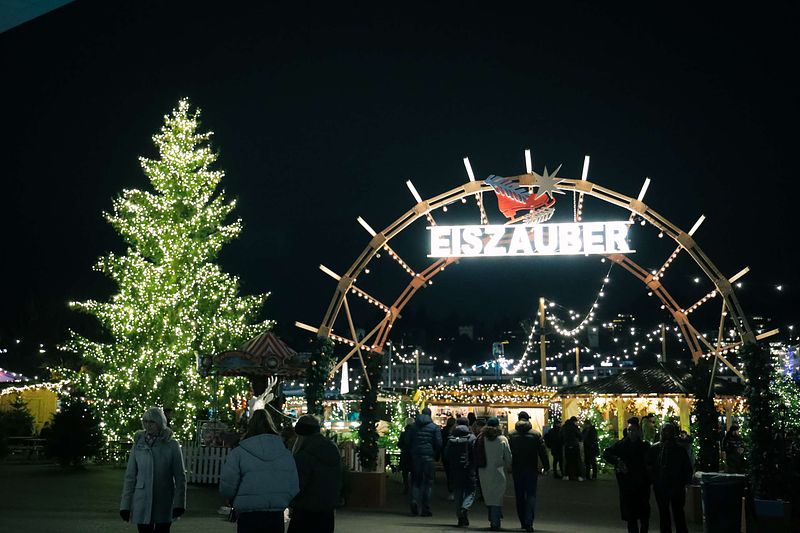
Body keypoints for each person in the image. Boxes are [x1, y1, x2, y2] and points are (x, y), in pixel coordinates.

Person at [219, 409, 299, 533]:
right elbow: (293, 485)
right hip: (275, 513)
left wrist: (234, 499)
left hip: (248, 514)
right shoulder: (285, 454)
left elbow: (228, 484)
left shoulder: (239, 453)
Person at [119, 407, 186, 533]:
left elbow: (180, 476)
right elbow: (130, 476)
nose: (148, 426)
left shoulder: (171, 445)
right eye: (145, 422)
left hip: (164, 500)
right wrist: (125, 506)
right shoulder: (138, 444)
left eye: (152, 422)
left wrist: (179, 503)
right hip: (142, 500)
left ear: (160, 423)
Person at [287, 415, 342, 533]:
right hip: (327, 510)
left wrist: (291, 501)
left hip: (305, 510)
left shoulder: (303, 455)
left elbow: (298, 484)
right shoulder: (332, 451)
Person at [603, 418, 651, 533]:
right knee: (631, 516)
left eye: (633, 430)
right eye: (629, 430)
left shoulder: (645, 446)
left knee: (644, 515)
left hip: (642, 485)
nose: (631, 433)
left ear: (639, 431)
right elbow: (607, 453)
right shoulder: (622, 445)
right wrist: (618, 461)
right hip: (627, 485)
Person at [647, 422, 693, 533]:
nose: (667, 434)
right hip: (662, 485)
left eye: (669, 431)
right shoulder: (656, 449)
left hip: (675, 485)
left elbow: (687, 468)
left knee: (677, 513)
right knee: (665, 513)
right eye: (665, 431)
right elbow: (649, 466)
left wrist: (683, 482)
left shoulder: (679, 449)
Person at [509, 412, 549, 532]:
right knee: (531, 494)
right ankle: (529, 521)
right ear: (528, 420)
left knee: (519, 495)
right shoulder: (536, 434)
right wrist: (546, 466)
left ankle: (522, 520)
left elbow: (508, 451)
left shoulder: (511, 434)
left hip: (517, 468)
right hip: (531, 468)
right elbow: (542, 451)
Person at [476, 417, 512, 531]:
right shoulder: (502, 439)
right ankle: (495, 521)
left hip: (483, 470)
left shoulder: (481, 438)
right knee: (497, 497)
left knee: (488, 495)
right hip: (498, 470)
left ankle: (492, 517)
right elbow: (508, 456)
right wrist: (509, 465)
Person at [408, 407, 442, 517]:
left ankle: (414, 501)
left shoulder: (413, 427)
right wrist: (435, 453)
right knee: (428, 482)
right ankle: (425, 508)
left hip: (416, 456)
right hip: (428, 456)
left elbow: (408, 441)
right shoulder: (434, 427)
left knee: (416, 481)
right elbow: (438, 443)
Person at [444, 417, 477, 527]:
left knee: (458, 491)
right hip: (468, 468)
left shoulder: (452, 437)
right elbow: (474, 453)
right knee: (471, 490)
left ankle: (460, 517)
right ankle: (465, 507)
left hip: (455, 468)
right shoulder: (471, 437)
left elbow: (446, 454)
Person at [561, 416, 584, 481]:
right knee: (577, 461)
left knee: (568, 461)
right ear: (574, 421)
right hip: (575, 446)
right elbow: (580, 435)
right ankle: (579, 476)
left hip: (567, 446)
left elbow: (560, 436)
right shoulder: (574, 427)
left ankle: (567, 475)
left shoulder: (564, 427)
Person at [398, 417, 415, 494]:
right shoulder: (416, 433)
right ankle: (413, 486)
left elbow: (399, 444)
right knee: (413, 470)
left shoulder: (403, 433)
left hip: (405, 453)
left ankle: (406, 485)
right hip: (413, 454)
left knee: (405, 471)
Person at [441, 416, 457, 501]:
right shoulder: (456, 432)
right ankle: (455, 491)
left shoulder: (443, 431)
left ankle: (451, 491)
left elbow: (441, 442)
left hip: (445, 454)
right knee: (455, 473)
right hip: (454, 455)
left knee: (449, 473)